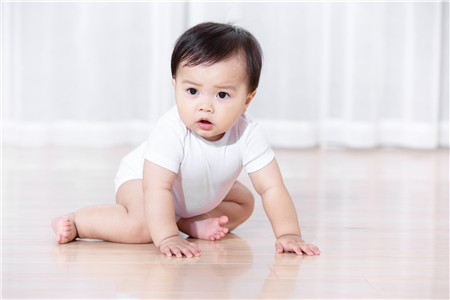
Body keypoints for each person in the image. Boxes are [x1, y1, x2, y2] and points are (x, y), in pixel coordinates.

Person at [51, 22, 320, 258]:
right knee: (144, 226)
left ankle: (186, 221)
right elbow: (157, 189)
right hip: (143, 181)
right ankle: (78, 221)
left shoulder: (249, 134)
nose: (205, 106)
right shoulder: (171, 129)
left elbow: (272, 188)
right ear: (175, 86)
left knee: (244, 203)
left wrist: (288, 234)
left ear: (247, 100)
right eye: (192, 91)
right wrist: (167, 236)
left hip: (192, 190)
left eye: (222, 95)